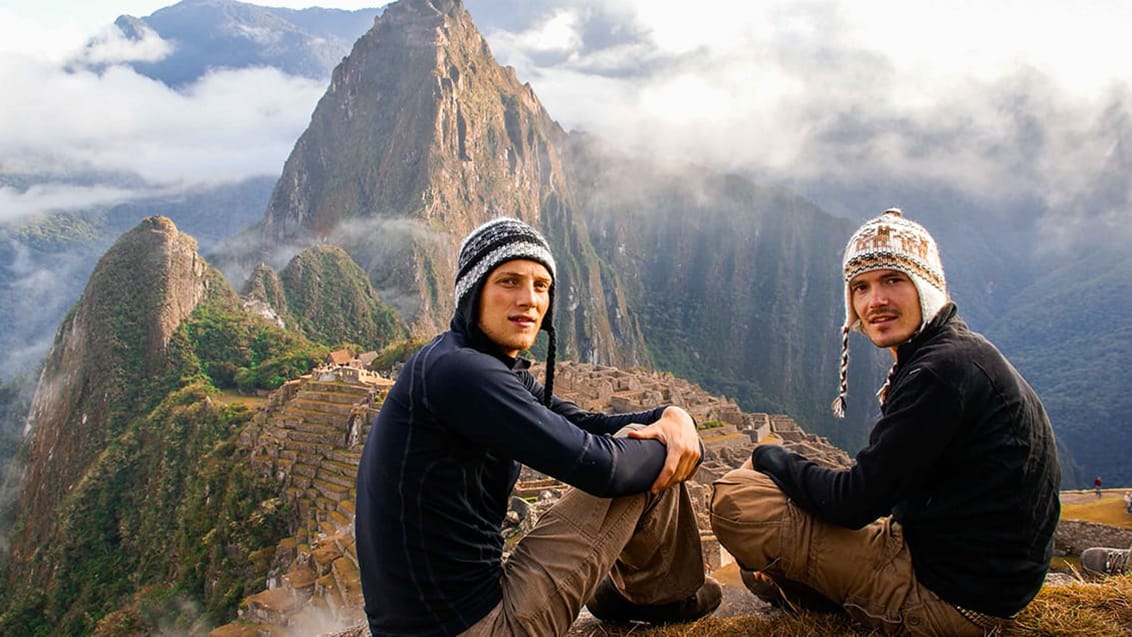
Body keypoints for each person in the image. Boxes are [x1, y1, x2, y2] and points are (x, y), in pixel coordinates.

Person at [354, 217, 721, 637]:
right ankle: (660, 598)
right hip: (474, 628)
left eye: (541, 286)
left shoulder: (469, 360)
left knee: (651, 442)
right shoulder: (464, 373)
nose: (529, 300)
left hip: (442, 618)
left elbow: (590, 423)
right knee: (652, 460)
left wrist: (674, 416)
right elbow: (601, 468)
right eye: (509, 282)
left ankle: (632, 594)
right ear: (473, 293)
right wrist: (676, 441)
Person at [710, 208, 1061, 636]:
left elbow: (853, 503)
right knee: (762, 560)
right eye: (861, 287)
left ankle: (832, 594)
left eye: (892, 280)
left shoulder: (937, 374)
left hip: (949, 602)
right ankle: (811, 584)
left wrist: (770, 458)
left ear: (926, 285)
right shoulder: (958, 353)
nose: (875, 301)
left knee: (737, 499)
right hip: (974, 576)